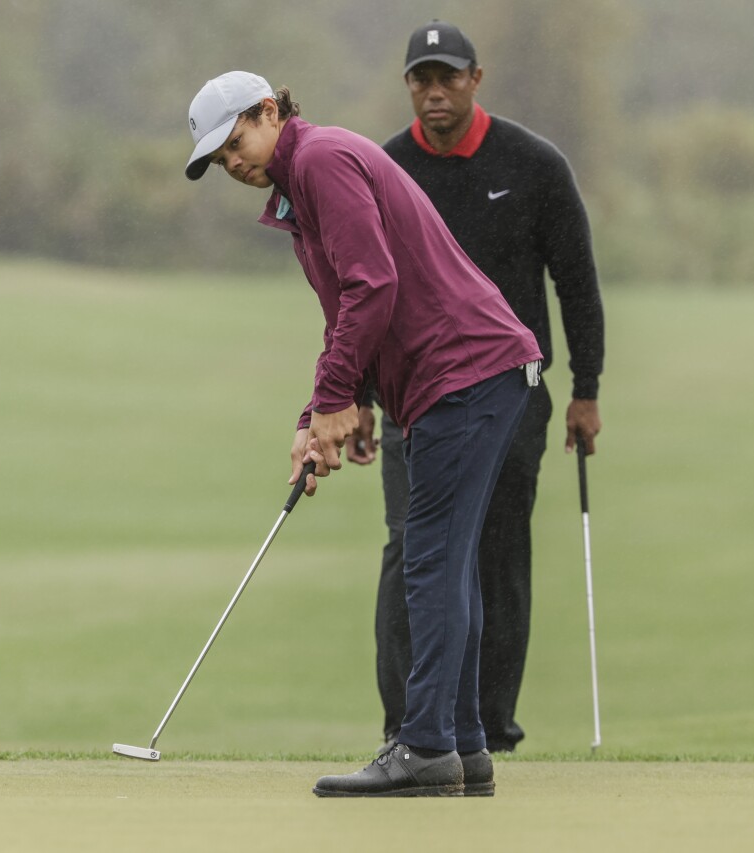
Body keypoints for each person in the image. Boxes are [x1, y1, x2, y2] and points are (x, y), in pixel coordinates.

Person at [184, 70, 542, 797]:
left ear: (268, 111)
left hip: (466, 372)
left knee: (431, 558)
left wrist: (336, 397)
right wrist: (322, 413)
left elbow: (372, 284)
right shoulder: (299, 191)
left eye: (236, 142)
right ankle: (463, 748)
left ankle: (426, 747)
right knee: (445, 558)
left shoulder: (319, 161)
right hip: (470, 376)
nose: (235, 164)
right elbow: (352, 308)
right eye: (221, 160)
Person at [361, 21, 606, 755]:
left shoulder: (534, 165)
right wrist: (361, 396)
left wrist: (586, 389)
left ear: (476, 79)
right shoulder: (385, 169)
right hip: (412, 396)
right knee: (412, 549)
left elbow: (576, 283)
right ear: (408, 85)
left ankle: (488, 726)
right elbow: (365, 290)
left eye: (449, 77)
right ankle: (408, 726)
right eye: (422, 79)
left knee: (496, 549)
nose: (435, 92)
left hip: (512, 393)